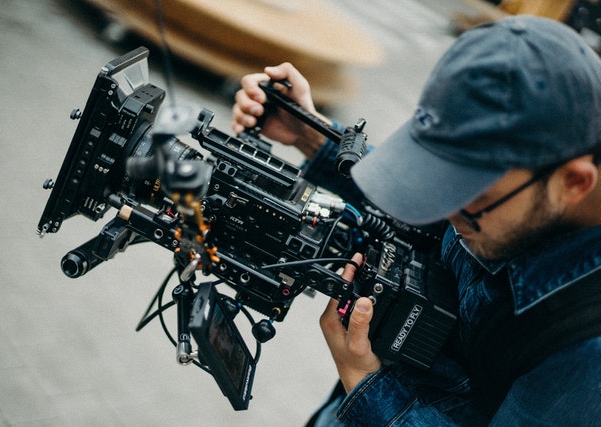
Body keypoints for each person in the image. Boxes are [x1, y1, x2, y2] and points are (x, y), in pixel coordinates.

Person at [232, 15, 601, 426]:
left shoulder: (589, 350)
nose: (440, 210)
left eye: (465, 196)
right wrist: (312, 137)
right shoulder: (516, 197)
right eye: (436, 184)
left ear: (573, 182)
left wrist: (366, 383)